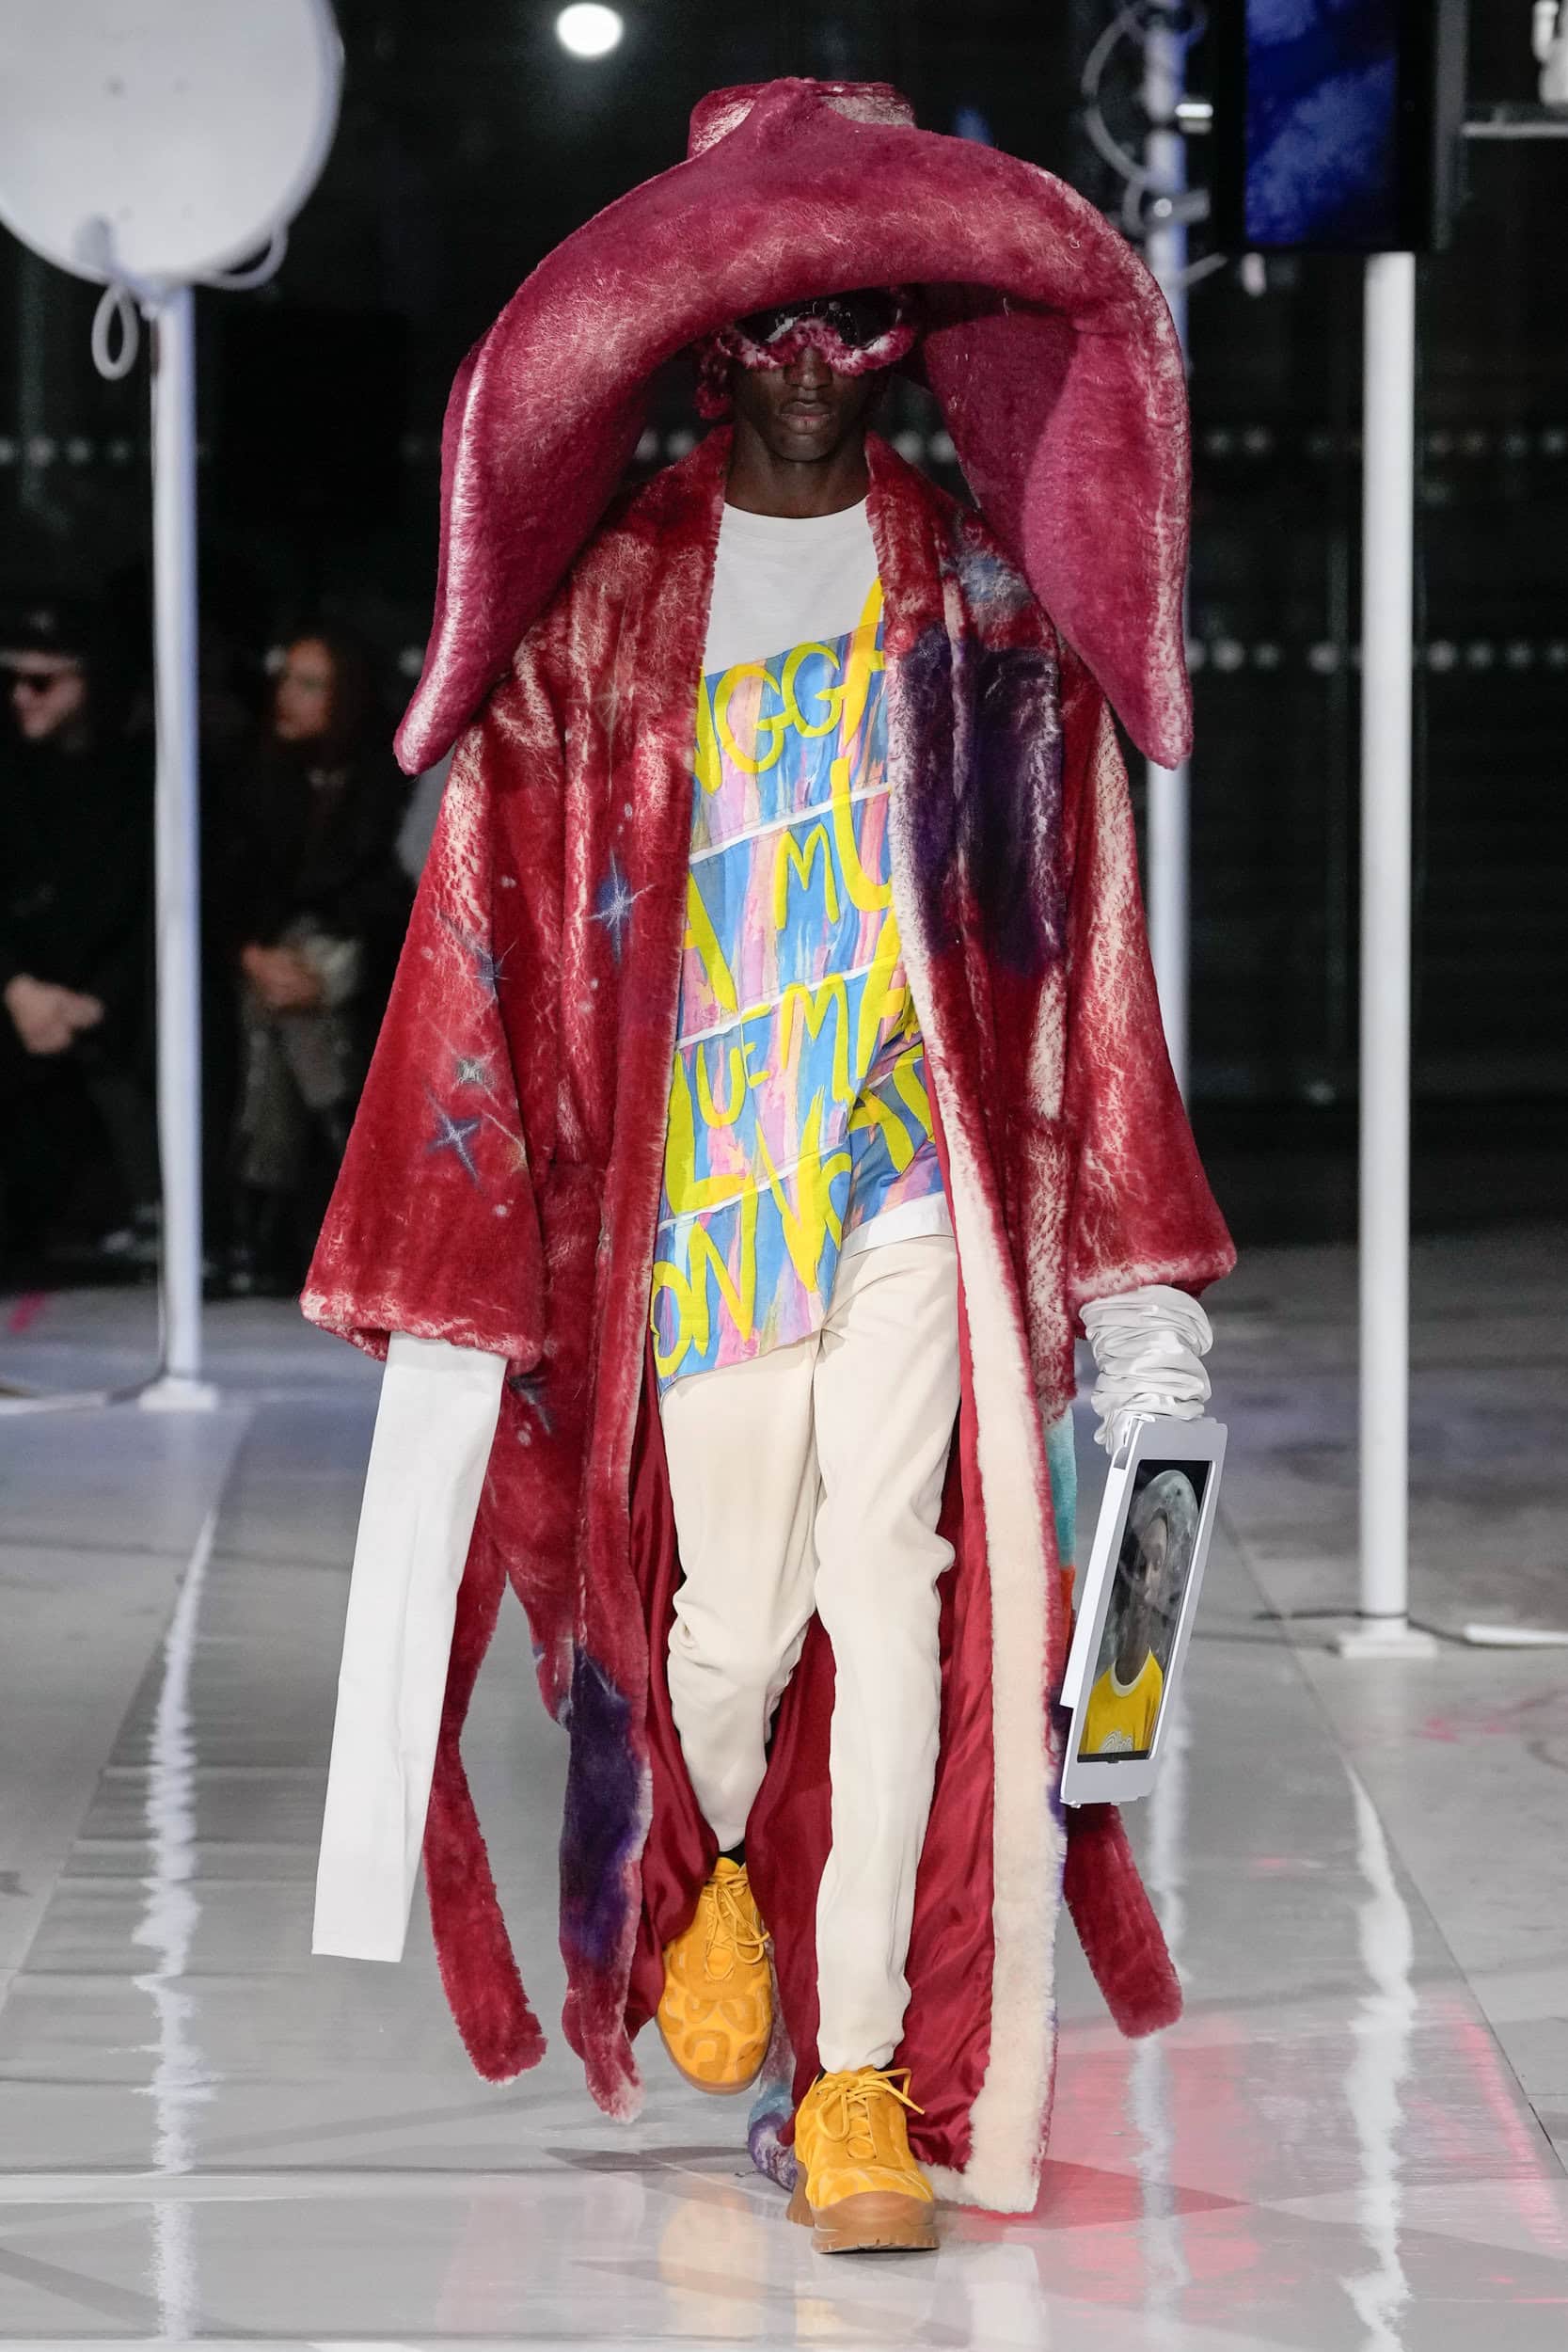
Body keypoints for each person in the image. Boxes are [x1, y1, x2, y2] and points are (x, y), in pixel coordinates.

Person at [301, 79, 1235, 2253]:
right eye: (767, 321)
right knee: (725, 1631)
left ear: (903, 330)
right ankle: (713, 1866)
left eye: (851, 320)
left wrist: (1131, 1285)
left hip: (903, 1165)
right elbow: (491, 927)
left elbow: (1075, 941)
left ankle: (856, 2077)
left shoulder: (984, 607)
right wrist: (459, 1254)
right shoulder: (610, 608)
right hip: (703, 1183)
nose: (811, 360)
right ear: (703, 336)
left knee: (893, 1582)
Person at [218, 628, 411, 1294]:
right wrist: (253, 955)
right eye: (286, 680)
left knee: (281, 1011)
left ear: (346, 696)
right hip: (266, 954)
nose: (287, 697)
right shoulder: (253, 775)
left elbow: (383, 896)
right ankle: (352, 1173)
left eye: (309, 684)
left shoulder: (388, 778)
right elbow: (226, 886)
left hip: (362, 954)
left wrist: (297, 964)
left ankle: (259, 1226)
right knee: (279, 1009)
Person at [0, 596, 156, 1271]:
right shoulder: (9, 772)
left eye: (42, 682)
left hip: (104, 1004)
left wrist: (99, 1000)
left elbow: (158, 907)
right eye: (13, 679)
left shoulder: (142, 779)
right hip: (20, 998)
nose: (21, 697)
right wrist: (16, 988)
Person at [1081, 1469, 1199, 1758]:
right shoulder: (1092, 1693)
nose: (1145, 1580)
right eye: (1139, 1563)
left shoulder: (1159, 1693)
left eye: (1156, 1563)